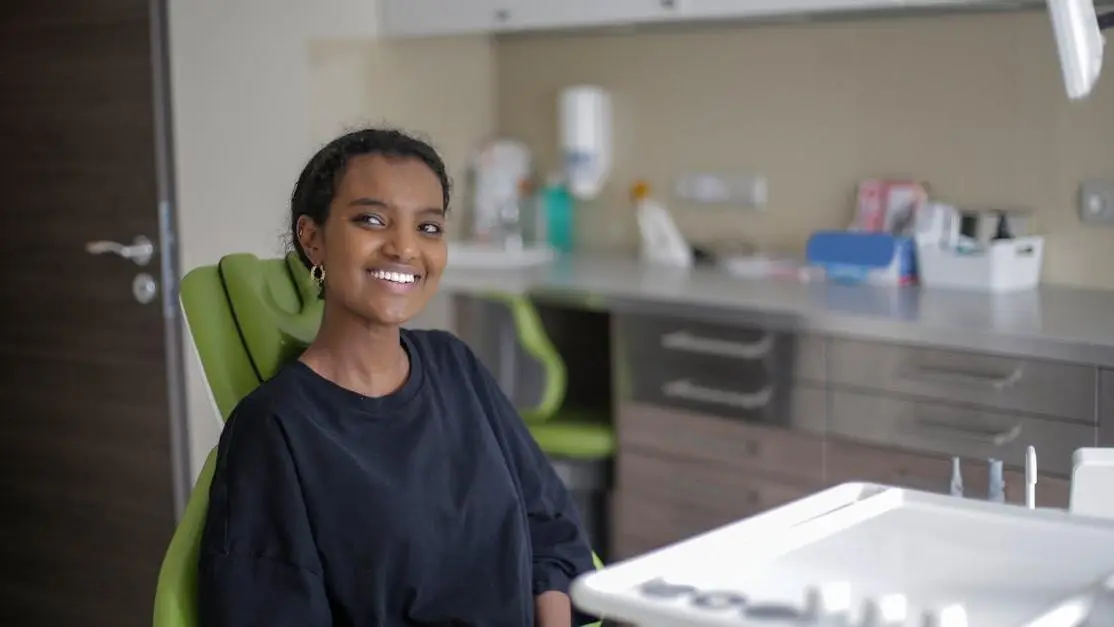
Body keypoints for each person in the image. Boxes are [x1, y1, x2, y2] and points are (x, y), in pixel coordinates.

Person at [196, 128, 597, 627]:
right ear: (313, 238)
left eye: (428, 228)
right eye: (371, 220)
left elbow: (552, 533)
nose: (405, 248)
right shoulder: (273, 430)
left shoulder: (456, 367)